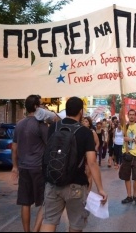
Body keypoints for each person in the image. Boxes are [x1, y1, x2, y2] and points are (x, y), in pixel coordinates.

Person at [40, 97, 107, 232]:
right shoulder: (85, 132)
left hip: (53, 181)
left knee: (49, 221)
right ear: (81, 111)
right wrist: (100, 188)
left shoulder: (54, 127)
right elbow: (92, 162)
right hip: (76, 184)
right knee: (76, 224)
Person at [11, 95, 48, 232]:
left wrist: (15, 166)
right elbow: (49, 145)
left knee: (25, 202)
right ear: (35, 107)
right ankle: (35, 230)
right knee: (45, 202)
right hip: (38, 168)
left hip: (24, 167)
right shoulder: (41, 125)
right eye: (42, 104)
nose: (44, 107)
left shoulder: (19, 124)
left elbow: (14, 148)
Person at [119, 109, 136, 206]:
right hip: (126, 154)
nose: (132, 116)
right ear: (128, 115)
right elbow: (120, 118)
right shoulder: (124, 126)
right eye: (130, 114)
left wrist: (130, 139)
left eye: (133, 115)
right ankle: (129, 196)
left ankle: (135, 196)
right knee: (126, 176)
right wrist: (122, 106)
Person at [82, 116, 100, 192]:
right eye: (83, 121)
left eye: (86, 121)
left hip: (89, 155)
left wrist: (94, 149)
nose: (84, 122)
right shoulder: (80, 131)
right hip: (82, 154)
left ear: (89, 124)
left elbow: (97, 142)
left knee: (89, 173)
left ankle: (88, 192)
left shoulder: (92, 132)